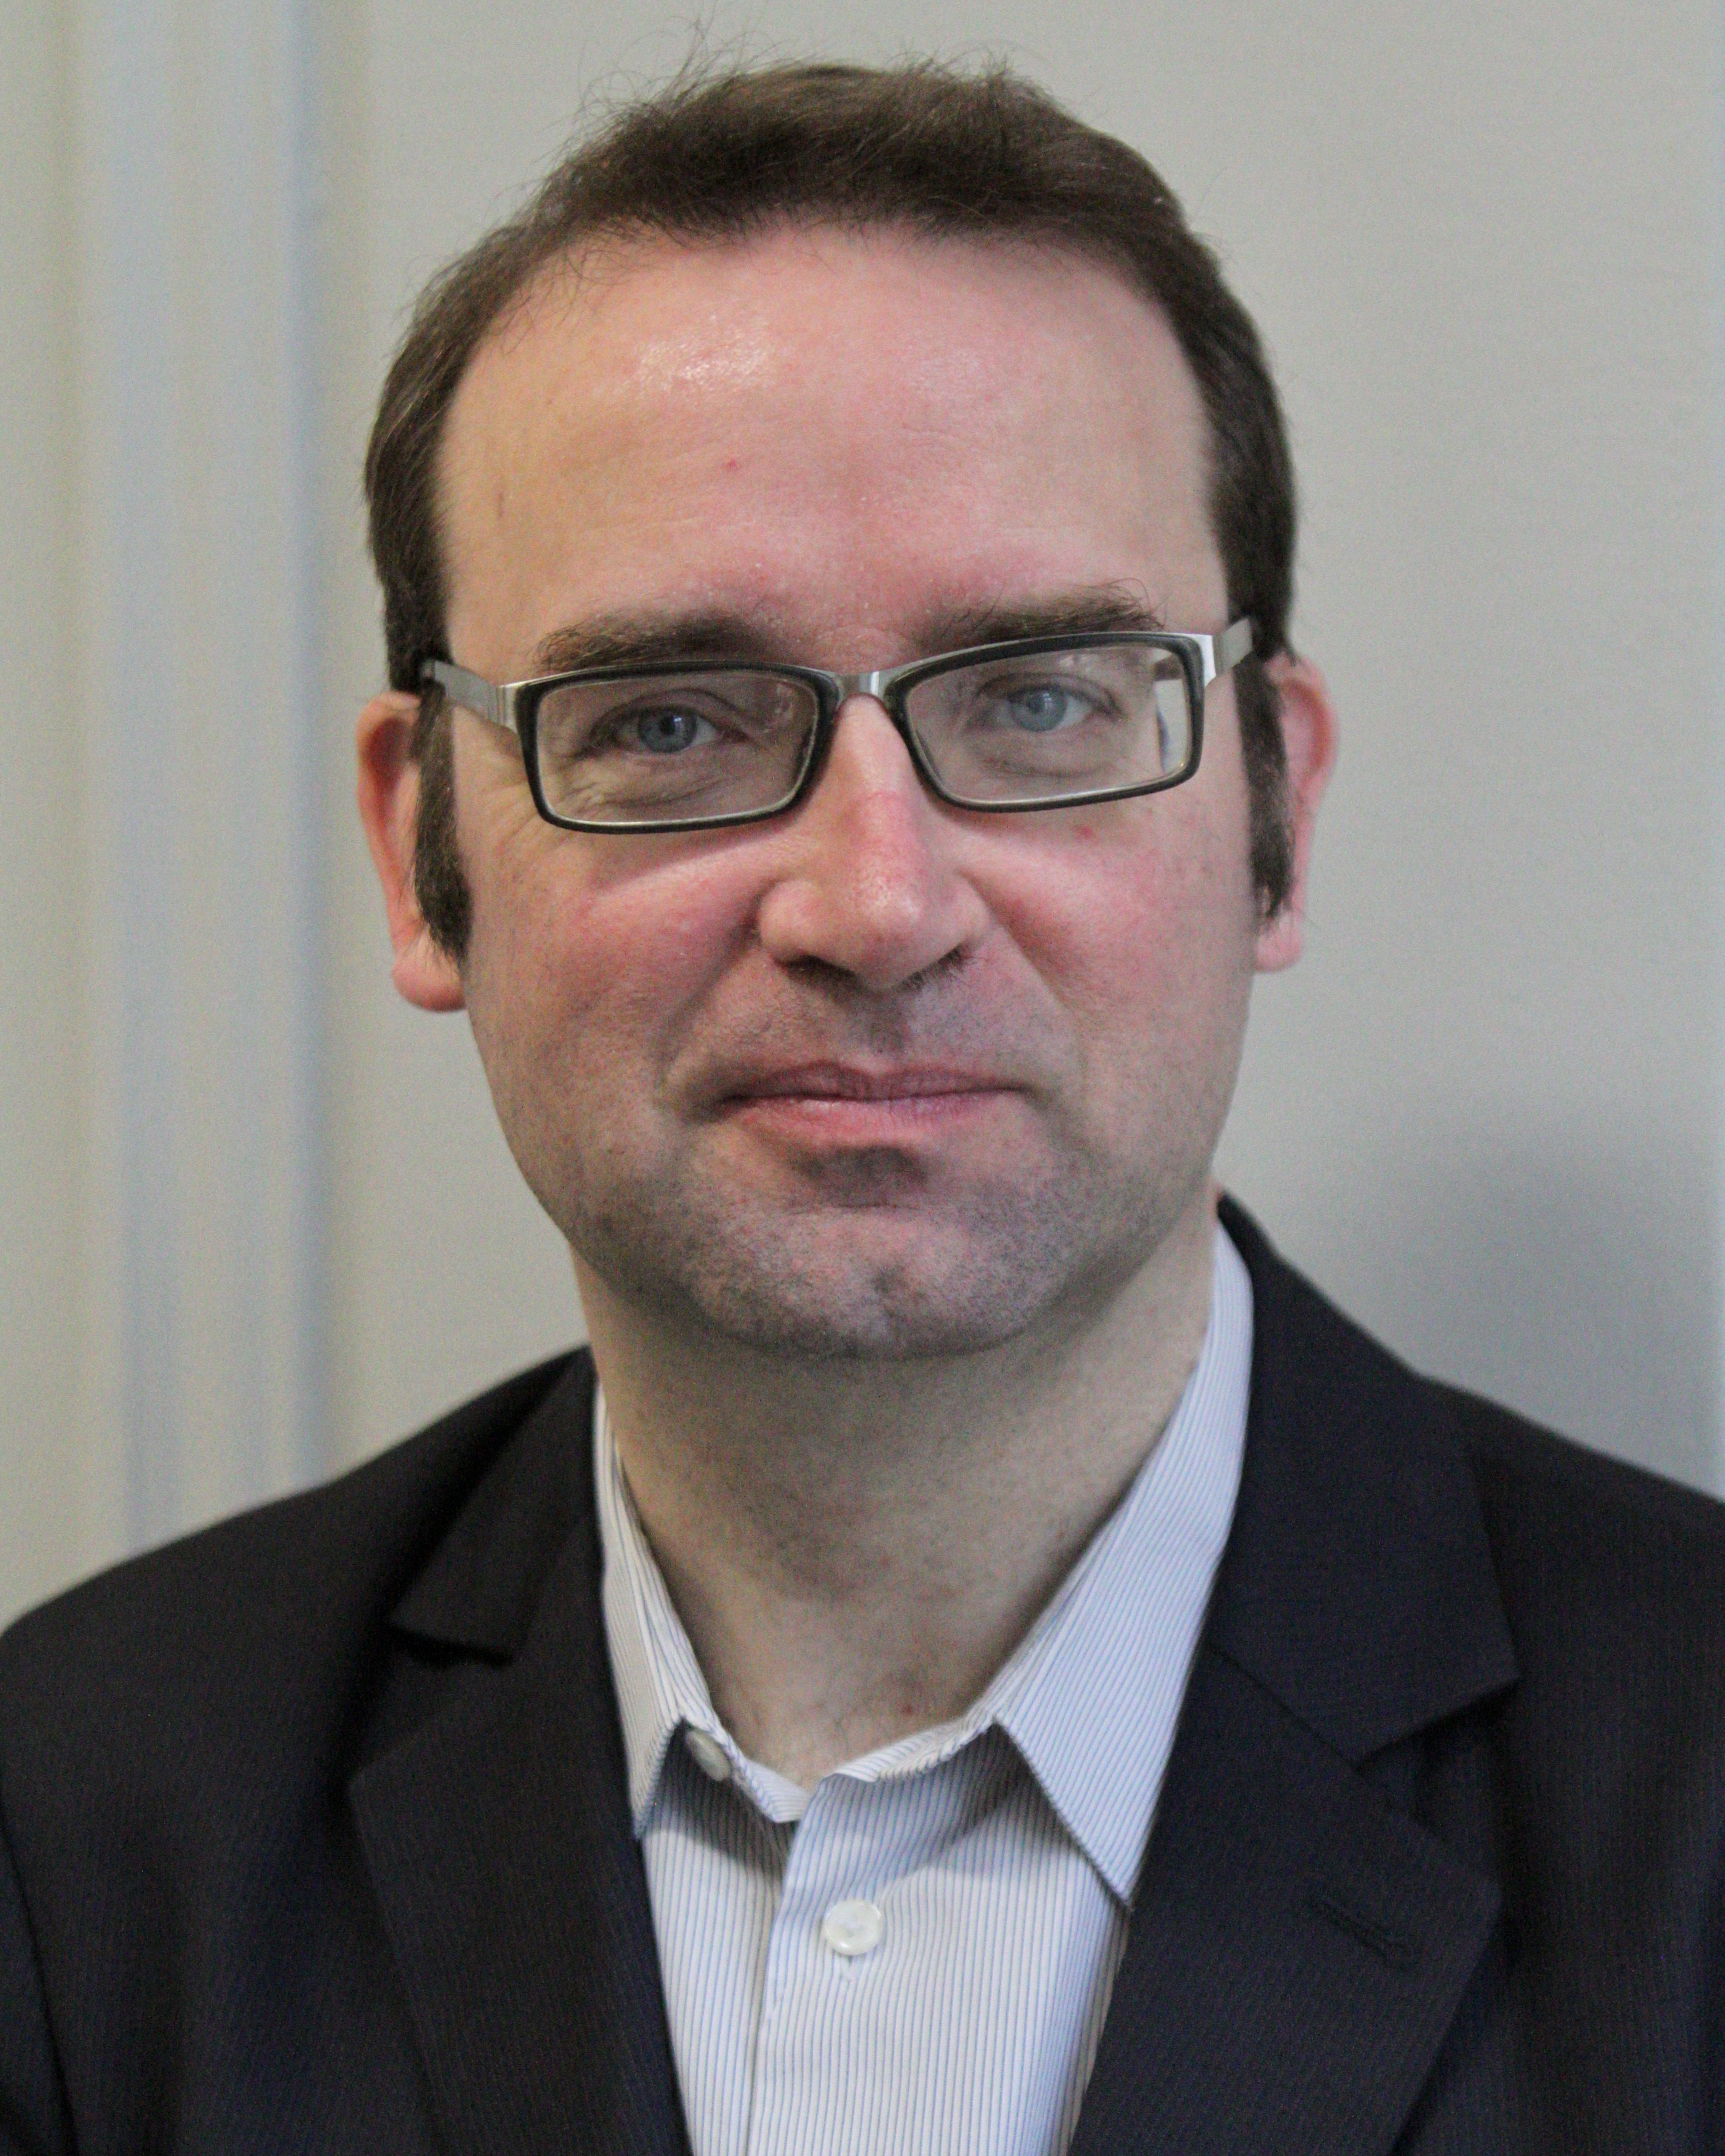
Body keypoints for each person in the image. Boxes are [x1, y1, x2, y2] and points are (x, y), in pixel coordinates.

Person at [2, 59, 1721, 2156]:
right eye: (665, 723)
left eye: (1041, 702)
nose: (877, 906)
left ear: (1273, 811)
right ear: (416, 847)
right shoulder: (76, 1831)